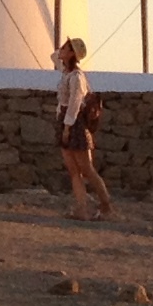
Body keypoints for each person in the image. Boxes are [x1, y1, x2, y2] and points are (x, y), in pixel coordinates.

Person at [54, 37, 112, 221]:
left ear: (72, 53)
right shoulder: (66, 74)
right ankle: (81, 208)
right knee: (73, 170)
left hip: (75, 122)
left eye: (65, 48)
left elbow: (75, 103)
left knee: (87, 169)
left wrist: (67, 127)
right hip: (65, 119)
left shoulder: (77, 77)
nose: (60, 50)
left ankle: (106, 206)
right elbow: (53, 56)